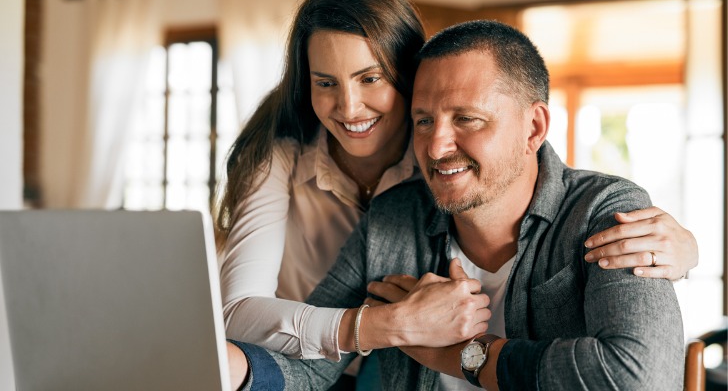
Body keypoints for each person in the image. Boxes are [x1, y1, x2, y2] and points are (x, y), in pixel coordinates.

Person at [227, 19, 686, 390]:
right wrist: (228, 369)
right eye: (423, 121)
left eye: (466, 119)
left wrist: (463, 356)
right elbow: (307, 372)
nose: (435, 145)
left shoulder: (604, 212)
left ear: (533, 128)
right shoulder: (393, 218)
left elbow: (637, 379)